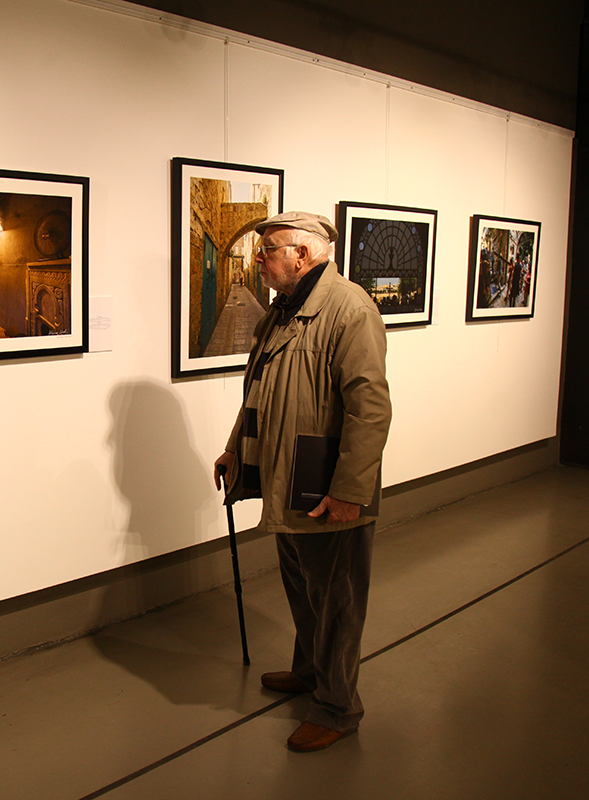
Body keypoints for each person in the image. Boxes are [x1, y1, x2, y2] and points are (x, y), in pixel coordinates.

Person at [214, 211, 391, 753]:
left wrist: (349, 491)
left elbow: (370, 408)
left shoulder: (349, 309)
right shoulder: (284, 312)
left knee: (336, 598)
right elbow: (260, 394)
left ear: (304, 254)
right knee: (302, 586)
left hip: (325, 485)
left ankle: (337, 708)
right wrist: (232, 449)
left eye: (268, 250)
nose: (260, 259)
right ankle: (311, 669)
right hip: (288, 477)